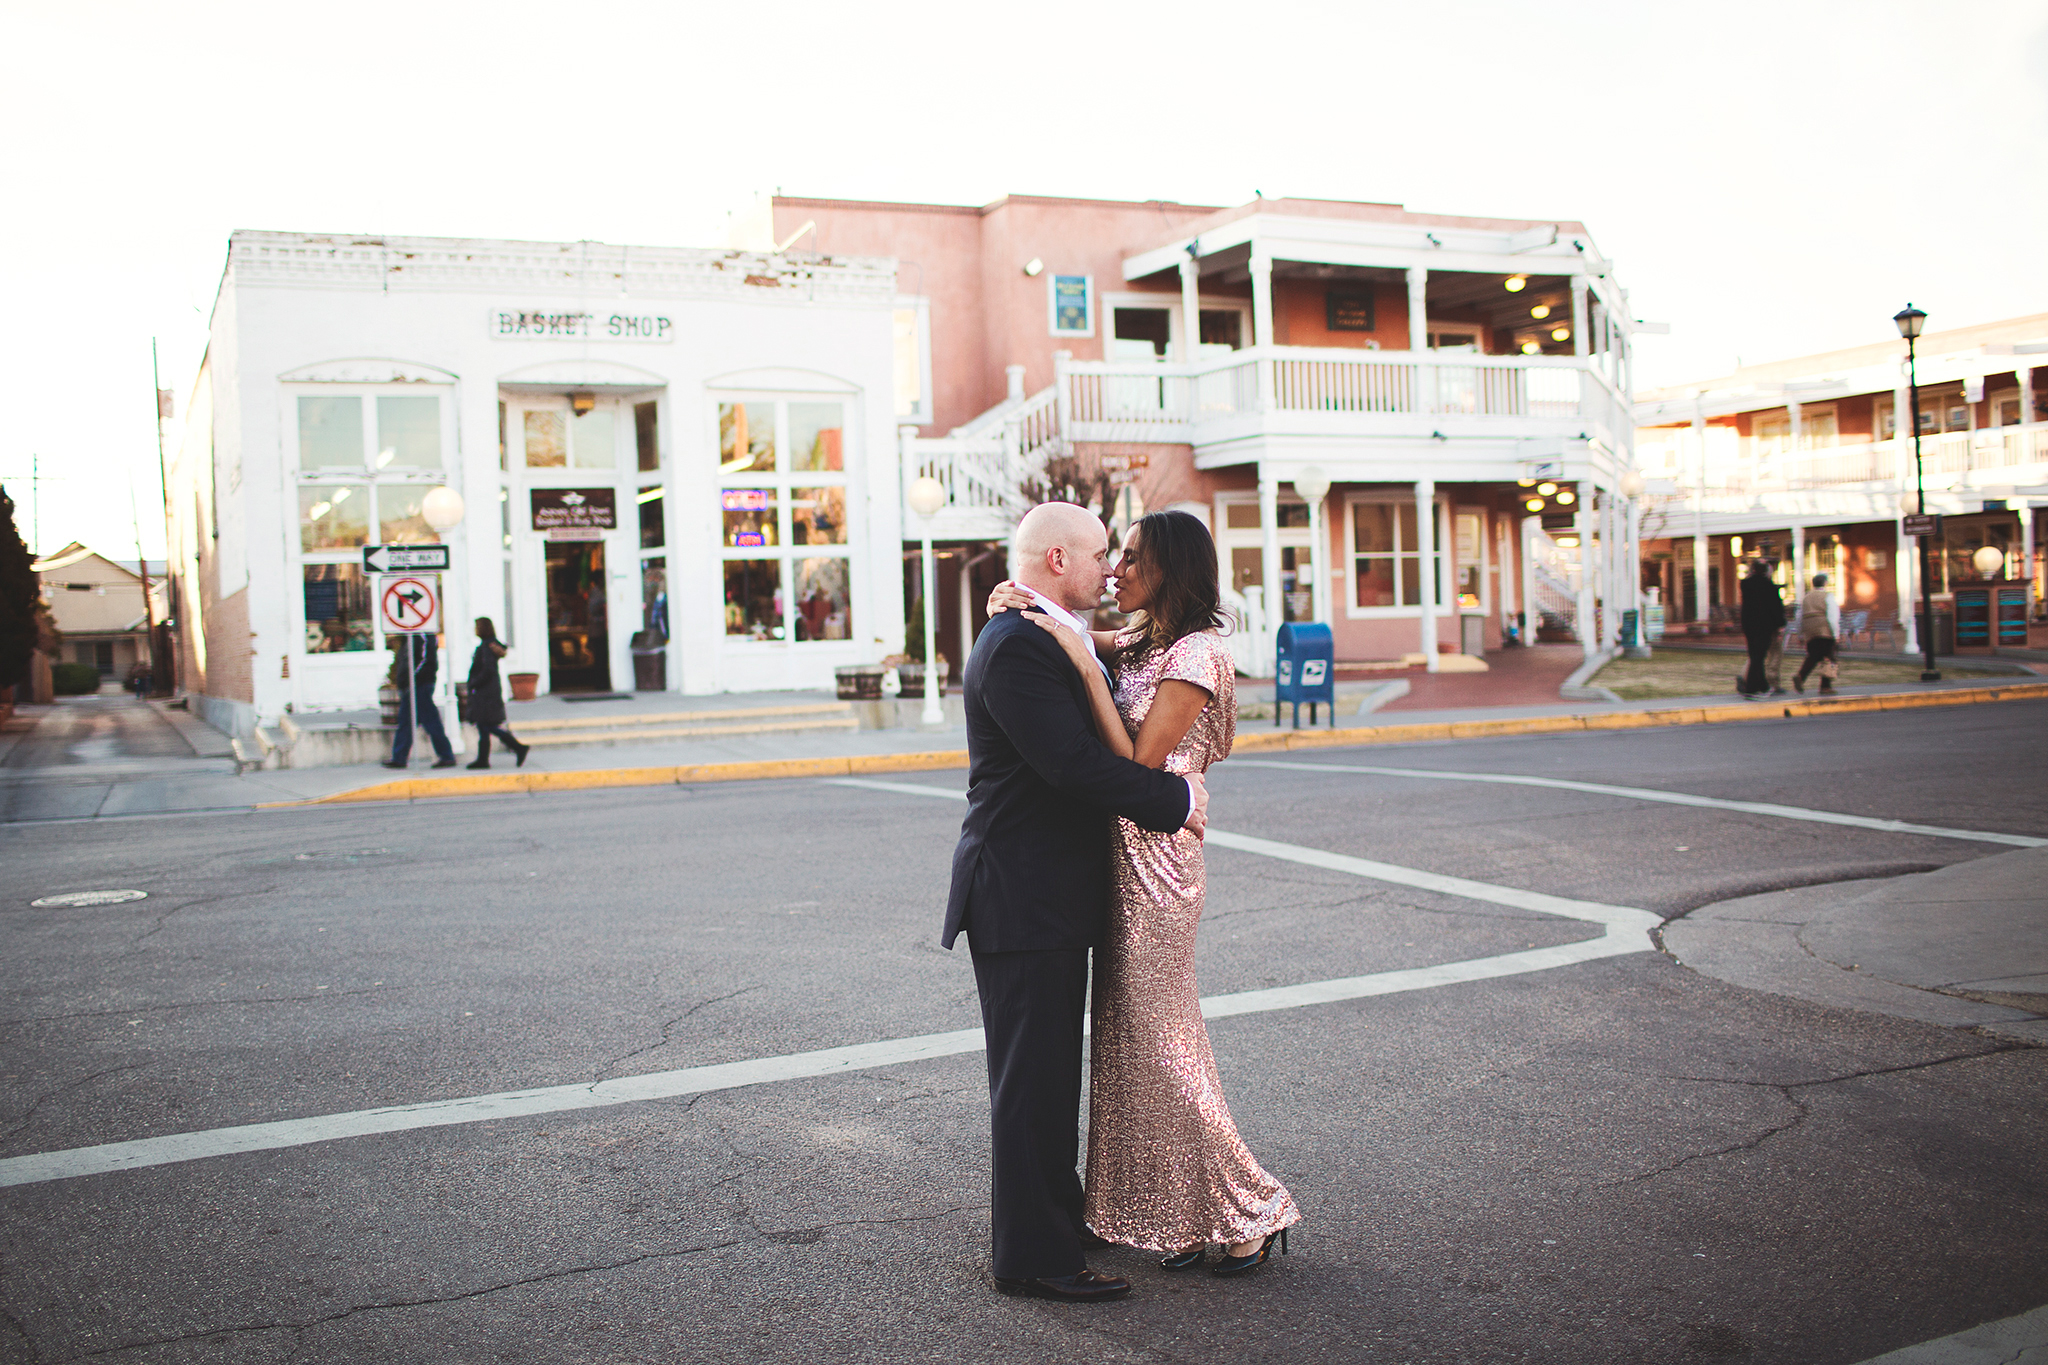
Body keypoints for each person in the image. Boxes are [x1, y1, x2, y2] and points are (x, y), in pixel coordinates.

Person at [989, 509, 1301, 1278]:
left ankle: (1252, 1207)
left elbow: (1137, 755)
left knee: (1165, 1043)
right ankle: (1185, 1212)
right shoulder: (1144, 640)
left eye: (1131, 556)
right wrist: (1025, 601)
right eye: (1111, 554)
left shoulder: (1196, 652)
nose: (1118, 569)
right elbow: (1071, 626)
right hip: (1114, 861)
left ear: (1170, 569)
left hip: (1156, 863)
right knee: (1131, 1047)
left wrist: (1077, 655)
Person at [942, 502, 1209, 1305]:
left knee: (1050, 1078)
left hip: (1044, 894)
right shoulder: (1019, 645)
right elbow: (1072, 766)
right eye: (1102, 553)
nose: (1113, 569)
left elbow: (1120, 662)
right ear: (1058, 558)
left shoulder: (1040, 629)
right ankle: (1032, 1257)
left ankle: (1055, 1220)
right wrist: (1177, 799)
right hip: (1022, 897)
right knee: (1032, 1085)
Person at [381, 633, 457, 769]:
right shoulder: (410, 637)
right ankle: (399, 757)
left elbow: (426, 660)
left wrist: (413, 678)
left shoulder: (423, 635)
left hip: (419, 685)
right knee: (406, 721)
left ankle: (446, 755)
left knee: (430, 720)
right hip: (411, 685)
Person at [465, 617, 529, 769]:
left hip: (485, 694)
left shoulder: (487, 646)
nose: (474, 630)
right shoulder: (489, 645)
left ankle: (517, 747)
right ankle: (483, 759)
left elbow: (488, 670)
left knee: (485, 726)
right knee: (484, 726)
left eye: (476, 627)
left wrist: (474, 683)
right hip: (488, 692)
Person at [1735, 559, 1786, 697]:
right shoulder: (1767, 586)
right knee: (1759, 656)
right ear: (1765, 571)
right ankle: (1751, 687)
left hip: (1749, 624)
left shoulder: (1745, 584)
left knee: (1754, 654)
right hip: (1764, 625)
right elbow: (1775, 608)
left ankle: (1763, 685)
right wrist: (1780, 625)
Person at [1792, 572, 1841, 695]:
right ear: (1825, 583)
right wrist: (1836, 634)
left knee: (1813, 655)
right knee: (1829, 658)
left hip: (1809, 629)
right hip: (1824, 628)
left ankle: (1801, 676)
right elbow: (1832, 616)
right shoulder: (1828, 596)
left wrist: (1800, 634)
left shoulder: (1805, 597)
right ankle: (1825, 686)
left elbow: (1799, 617)